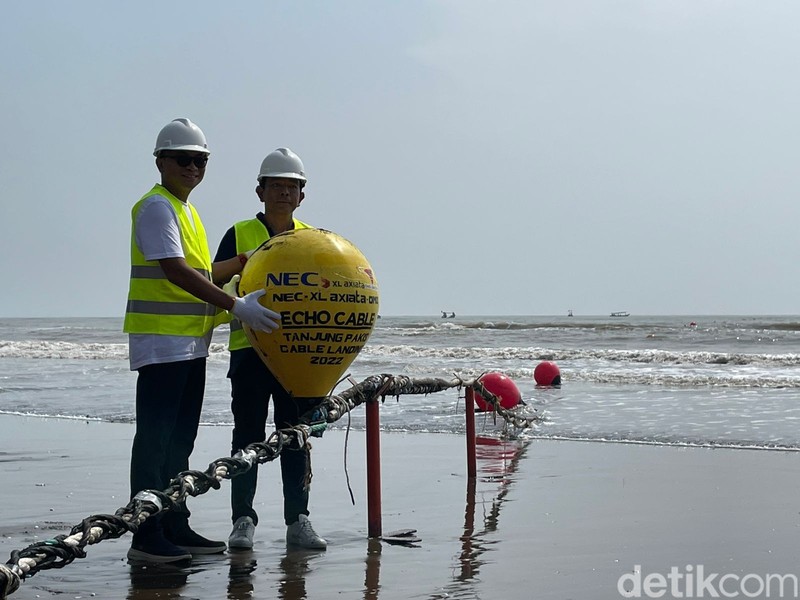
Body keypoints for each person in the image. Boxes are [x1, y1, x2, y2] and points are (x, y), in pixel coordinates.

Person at [124, 118, 282, 563]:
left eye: (200, 161)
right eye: (183, 159)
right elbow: (176, 272)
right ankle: (146, 534)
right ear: (161, 161)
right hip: (162, 344)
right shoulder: (157, 208)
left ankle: (175, 523)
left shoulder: (187, 212)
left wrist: (246, 261)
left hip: (191, 344)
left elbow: (203, 272)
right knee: (155, 440)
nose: (193, 168)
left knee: (180, 441)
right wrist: (236, 306)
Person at [214, 148, 327, 551]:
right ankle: (242, 520)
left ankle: (298, 520)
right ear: (260, 191)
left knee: (295, 436)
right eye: (275, 185)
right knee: (247, 435)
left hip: (297, 355)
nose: (283, 192)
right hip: (249, 351)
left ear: (302, 195)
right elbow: (213, 282)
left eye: (291, 186)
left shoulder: (313, 238)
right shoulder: (239, 232)